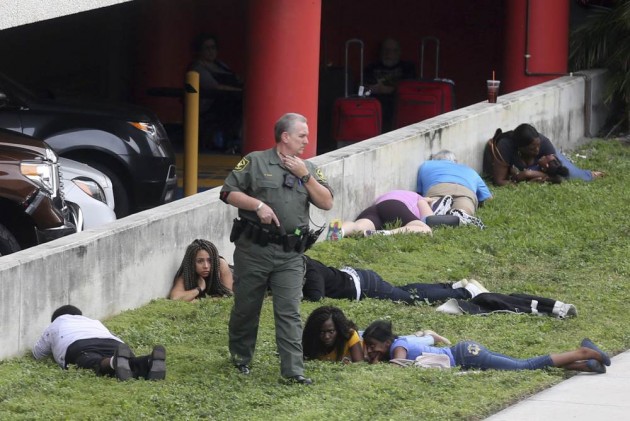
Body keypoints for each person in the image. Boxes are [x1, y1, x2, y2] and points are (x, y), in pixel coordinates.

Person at [219, 113, 334, 385]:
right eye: (302, 135)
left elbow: (327, 203)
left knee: (290, 311)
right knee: (247, 307)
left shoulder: (309, 168)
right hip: (254, 250)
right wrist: (257, 206)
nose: (307, 140)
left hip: (290, 254)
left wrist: (304, 176)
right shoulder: (256, 161)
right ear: (285, 137)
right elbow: (227, 192)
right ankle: (240, 358)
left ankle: (293, 371)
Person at [362, 320, 610, 374]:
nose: (371, 350)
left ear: (386, 342)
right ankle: (584, 363)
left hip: (466, 354)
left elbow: (399, 365)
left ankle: (583, 351)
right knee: (523, 365)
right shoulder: (397, 343)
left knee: (524, 366)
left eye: (372, 346)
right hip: (466, 353)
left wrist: (372, 363)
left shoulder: (398, 345)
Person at [32, 305, 166, 381]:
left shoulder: (57, 322)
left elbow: (39, 353)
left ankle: (113, 362)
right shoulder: (93, 322)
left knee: (89, 360)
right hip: (112, 342)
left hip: (78, 344)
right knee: (128, 362)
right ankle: (148, 361)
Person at [302, 255, 487, 304]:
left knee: (406, 298)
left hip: (364, 286)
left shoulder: (309, 271)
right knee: (403, 291)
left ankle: (467, 292)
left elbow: (316, 297)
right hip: (360, 278)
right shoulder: (308, 262)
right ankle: (450, 286)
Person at [484, 123, 604, 186]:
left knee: (571, 174)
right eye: (532, 148)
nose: (537, 150)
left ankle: (589, 174)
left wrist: (528, 174)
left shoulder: (543, 143)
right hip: (524, 169)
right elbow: (499, 181)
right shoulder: (505, 146)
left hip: (540, 166)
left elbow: (560, 174)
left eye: (538, 145)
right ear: (520, 147)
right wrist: (521, 183)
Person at [188, 33, 243, 152]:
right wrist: (239, 91)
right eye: (207, 48)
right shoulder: (198, 68)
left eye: (213, 47)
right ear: (199, 50)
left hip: (230, 101)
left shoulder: (220, 65)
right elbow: (215, 87)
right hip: (210, 105)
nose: (211, 51)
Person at [417, 149, 492, 227]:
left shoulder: (426, 165)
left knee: (430, 205)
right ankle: (460, 213)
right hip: (465, 191)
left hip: (439, 188)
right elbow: (487, 197)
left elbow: (419, 192)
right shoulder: (469, 170)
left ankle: (435, 204)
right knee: (464, 210)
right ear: (455, 161)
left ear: (434, 159)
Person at [325, 190, 435, 241]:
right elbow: (430, 219)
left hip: (376, 208)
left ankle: (340, 230)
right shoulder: (419, 198)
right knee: (425, 230)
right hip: (394, 206)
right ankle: (383, 234)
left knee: (358, 226)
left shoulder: (394, 193)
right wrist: (428, 204)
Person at [364, 38, 416, 132]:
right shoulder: (371, 67)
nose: (389, 54)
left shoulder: (407, 68)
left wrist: (389, 90)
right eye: (386, 50)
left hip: (399, 106)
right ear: (381, 52)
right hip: (376, 106)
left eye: (394, 50)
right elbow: (365, 88)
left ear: (399, 52)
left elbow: (410, 88)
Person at [169, 239, 234, 301]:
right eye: (200, 261)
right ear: (192, 262)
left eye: (210, 261)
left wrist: (197, 301)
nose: (206, 266)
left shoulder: (220, 264)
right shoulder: (187, 273)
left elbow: (228, 296)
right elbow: (175, 298)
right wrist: (199, 288)